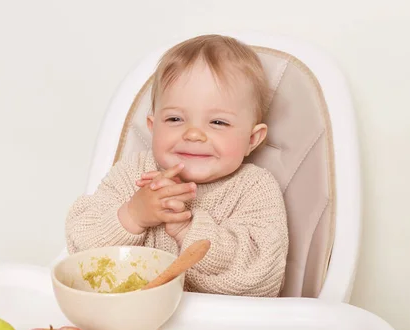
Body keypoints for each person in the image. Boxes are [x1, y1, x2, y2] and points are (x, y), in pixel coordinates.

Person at [65, 34, 289, 297]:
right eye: (174, 119)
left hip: (220, 326)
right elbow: (79, 246)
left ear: (252, 139)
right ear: (153, 127)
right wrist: (132, 216)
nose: (193, 134)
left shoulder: (254, 188)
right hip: (134, 319)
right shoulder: (133, 173)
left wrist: (189, 229)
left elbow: (263, 278)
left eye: (218, 122)